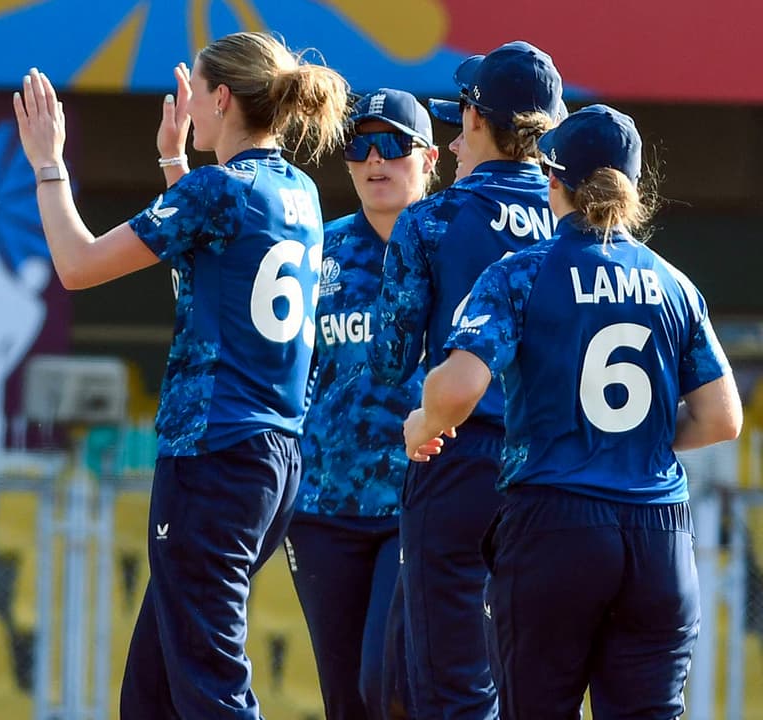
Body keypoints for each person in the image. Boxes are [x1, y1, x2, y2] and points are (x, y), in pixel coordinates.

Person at [13, 31, 348, 719]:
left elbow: (78, 265)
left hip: (215, 457)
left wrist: (49, 166)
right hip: (272, 457)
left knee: (208, 683)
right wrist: (174, 161)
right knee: (154, 693)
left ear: (222, 98)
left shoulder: (218, 191)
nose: (187, 102)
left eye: (195, 90)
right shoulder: (299, 191)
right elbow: (211, 273)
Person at [403, 103, 742, 719]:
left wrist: (425, 424)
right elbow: (723, 418)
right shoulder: (674, 283)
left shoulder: (522, 273)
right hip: (659, 534)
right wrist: (633, 442)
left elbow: (456, 389)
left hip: (554, 524)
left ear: (552, 180)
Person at [368, 40, 563, 720]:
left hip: (460, 458)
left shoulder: (432, 219)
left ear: (479, 121)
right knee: (535, 687)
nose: (451, 143)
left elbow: (389, 362)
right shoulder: (583, 224)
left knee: (451, 689)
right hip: (561, 471)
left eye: (459, 123)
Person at [287, 88, 436, 720]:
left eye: (394, 145)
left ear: (429, 159)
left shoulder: (452, 246)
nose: (376, 160)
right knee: (345, 699)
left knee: (390, 686)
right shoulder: (318, 250)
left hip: (420, 501)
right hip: (322, 507)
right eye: (360, 145)